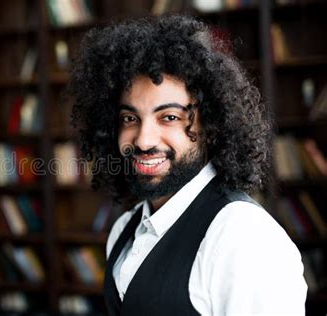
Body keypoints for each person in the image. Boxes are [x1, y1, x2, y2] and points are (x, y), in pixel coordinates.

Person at [67, 15, 307, 315]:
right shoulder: (123, 229)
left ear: (211, 124)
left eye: (169, 117)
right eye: (130, 118)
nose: (143, 140)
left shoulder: (241, 235)